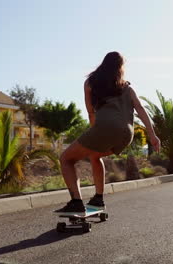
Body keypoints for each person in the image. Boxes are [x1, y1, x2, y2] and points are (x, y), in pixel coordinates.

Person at [54, 51, 161, 216]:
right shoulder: (127, 87)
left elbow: (90, 112)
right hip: (126, 134)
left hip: (104, 127)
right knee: (95, 156)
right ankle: (98, 198)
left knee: (66, 159)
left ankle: (76, 202)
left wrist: (95, 133)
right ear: (120, 68)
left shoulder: (90, 82)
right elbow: (140, 109)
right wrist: (152, 135)